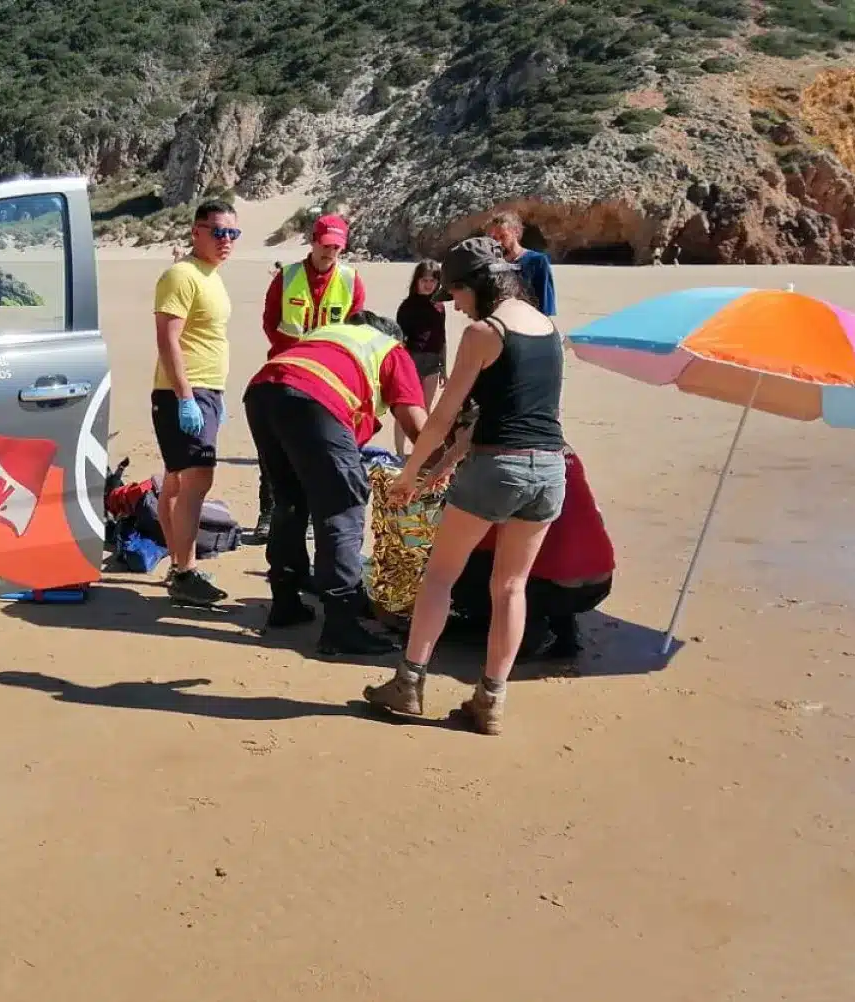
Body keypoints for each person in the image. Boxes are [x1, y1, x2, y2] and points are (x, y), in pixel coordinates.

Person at [364, 235, 567, 734]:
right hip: (549, 468)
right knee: (511, 586)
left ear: (476, 286)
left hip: (498, 469)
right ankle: (491, 701)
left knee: (439, 575)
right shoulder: (548, 328)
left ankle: (408, 683)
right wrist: (447, 464)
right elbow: (507, 413)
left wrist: (410, 475)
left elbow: (442, 416)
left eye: (455, 293)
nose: (453, 305)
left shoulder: (485, 332)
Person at [243, 308, 430, 654]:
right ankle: (341, 624)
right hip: (313, 397)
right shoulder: (391, 349)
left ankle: (285, 600)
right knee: (342, 506)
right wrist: (444, 465)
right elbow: (417, 425)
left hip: (263, 390)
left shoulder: (329, 337)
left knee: (291, 500)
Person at [252, 213, 368, 547]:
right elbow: (270, 321)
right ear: (313, 241)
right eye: (326, 244)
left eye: (337, 247)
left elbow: (355, 328)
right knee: (274, 451)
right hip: (284, 372)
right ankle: (267, 513)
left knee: (319, 451)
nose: (330, 252)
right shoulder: (287, 277)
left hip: (329, 381)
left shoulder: (350, 280)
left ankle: (314, 518)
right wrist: (293, 351)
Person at [151, 199, 239, 607]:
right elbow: (168, 339)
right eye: (218, 231)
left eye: (232, 233)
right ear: (196, 231)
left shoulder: (212, 276)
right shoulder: (181, 275)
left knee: (176, 479)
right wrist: (186, 397)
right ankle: (185, 572)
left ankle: (177, 565)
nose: (226, 241)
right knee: (197, 480)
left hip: (207, 391)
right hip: (185, 391)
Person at [444, 448, 613, 659]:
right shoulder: (567, 454)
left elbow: (482, 541)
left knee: (463, 566)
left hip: (554, 588)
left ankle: (529, 633)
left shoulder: (505, 465)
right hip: (601, 579)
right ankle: (563, 629)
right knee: (552, 550)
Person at [393, 258, 448, 456]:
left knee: (425, 411)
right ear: (416, 281)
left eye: (432, 281)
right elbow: (399, 339)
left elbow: (442, 337)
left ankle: (420, 453)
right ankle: (399, 453)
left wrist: (444, 367)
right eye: (424, 280)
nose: (428, 284)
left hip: (433, 362)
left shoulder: (439, 306)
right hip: (411, 361)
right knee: (405, 410)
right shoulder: (407, 307)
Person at [485, 210, 556, 317]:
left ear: (516, 232)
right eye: (494, 238)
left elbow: (545, 305)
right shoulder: (493, 264)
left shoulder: (537, 261)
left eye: (503, 236)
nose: (498, 242)